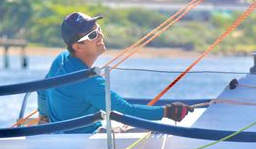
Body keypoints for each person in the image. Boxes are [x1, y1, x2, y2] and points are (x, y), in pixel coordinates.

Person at [37, 12, 193, 133]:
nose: (100, 36)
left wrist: (44, 117)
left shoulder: (61, 59)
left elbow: (42, 89)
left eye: (98, 30)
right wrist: (167, 112)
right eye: (92, 35)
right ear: (77, 47)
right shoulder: (89, 81)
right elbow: (125, 111)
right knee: (158, 131)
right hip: (85, 141)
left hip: (58, 135)